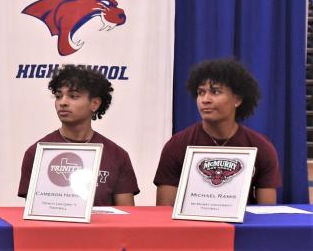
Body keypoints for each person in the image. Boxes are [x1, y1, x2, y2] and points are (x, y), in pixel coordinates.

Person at [155, 59, 281, 205]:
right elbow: (164, 211)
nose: (205, 100)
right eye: (201, 93)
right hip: (191, 226)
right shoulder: (176, 145)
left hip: (241, 227)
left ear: (237, 100)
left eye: (215, 92)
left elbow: (266, 213)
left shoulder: (261, 147)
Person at [17, 65, 139, 206]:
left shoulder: (117, 155)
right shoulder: (37, 152)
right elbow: (34, 212)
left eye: (73, 96)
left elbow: (127, 216)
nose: (63, 102)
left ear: (94, 104)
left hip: (102, 229)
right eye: (58, 96)